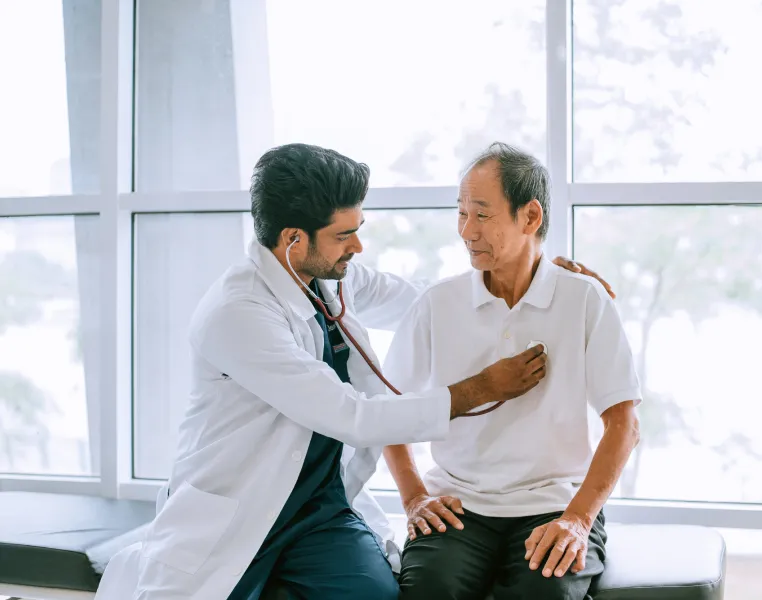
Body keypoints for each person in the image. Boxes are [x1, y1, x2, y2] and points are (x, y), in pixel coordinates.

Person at [95, 143, 612, 600]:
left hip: (318, 512)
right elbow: (353, 416)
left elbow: (430, 301)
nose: (357, 248)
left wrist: (529, 268)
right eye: (345, 235)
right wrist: (480, 390)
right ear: (294, 239)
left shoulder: (329, 276)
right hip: (238, 508)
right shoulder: (237, 313)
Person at [382, 142, 642, 600]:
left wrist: (578, 519)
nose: (466, 230)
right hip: (459, 505)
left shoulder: (584, 299)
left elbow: (623, 425)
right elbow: (388, 413)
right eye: (461, 213)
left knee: (543, 595)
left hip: (554, 501)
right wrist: (414, 497)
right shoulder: (437, 305)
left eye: (482, 215)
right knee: (427, 592)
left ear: (530, 217)